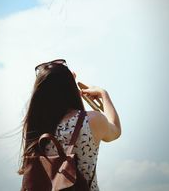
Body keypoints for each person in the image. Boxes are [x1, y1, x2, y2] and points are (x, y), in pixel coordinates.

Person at [18, 59, 121, 190]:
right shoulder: (92, 120)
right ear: (70, 87)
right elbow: (115, 130)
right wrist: (103, 94)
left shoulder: (35, 126)